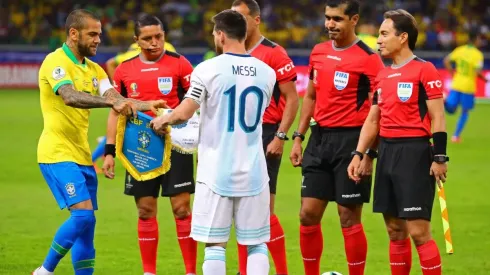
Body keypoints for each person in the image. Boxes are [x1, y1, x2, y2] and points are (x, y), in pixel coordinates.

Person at [33, 9, 164, 275]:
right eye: (92, 34)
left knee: (87, 228)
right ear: (73, 34)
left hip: (81, 156)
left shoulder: (94, 69)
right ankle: (44, 271)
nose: (98, 40)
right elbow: (70, 96)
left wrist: (148, 105)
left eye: (99, 35)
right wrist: (111, 102)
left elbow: (116, 96)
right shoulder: (55, 62)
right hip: (56, 153)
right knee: (82, 215)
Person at [151, 9, 276, 275]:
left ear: (220, 35)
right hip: (254, 170)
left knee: (215, 244)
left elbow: (185, 112)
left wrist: (163, 120)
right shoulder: (267, 73)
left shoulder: (207, 69)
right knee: (256, 245)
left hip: (216, 170)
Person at [348, 9, 447, 275]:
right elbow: (373, 120)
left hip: (414, 152)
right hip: (387, 153)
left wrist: (440, 158)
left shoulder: (425, 70)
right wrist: (362, 154)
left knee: (418, 231)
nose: (378, 40)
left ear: (403, 37)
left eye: (383, 34)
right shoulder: (382, 75)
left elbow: (438, 117)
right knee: (394, 230)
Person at [289, 1, 384, 274]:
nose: (330, 24)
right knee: (307, 214)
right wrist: (298, 137)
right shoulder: (318, 52)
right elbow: (310, 96)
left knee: (348, 217)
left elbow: (378, 110)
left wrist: (368, 154)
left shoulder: (368, 58)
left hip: (352, 142)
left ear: (353, 19)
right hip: (319, 139)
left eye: (337, 19)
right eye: (328, 18)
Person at [101, 14, 197, 275]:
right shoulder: (124, 70)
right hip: (138, 147)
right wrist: (109, 151)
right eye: (147, 38)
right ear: (136, 40)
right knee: (145, 210)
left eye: (159, 37)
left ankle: (190, 271)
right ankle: (149, 272)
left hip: (176, 145)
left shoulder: (181, 64)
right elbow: (114, 112)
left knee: (181, 209)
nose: (155, 43)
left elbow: (195, 104)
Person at [231, 1, 299, 274]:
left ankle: (281, 271)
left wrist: (281, 136)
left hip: (265, 133)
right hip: (235, 136)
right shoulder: (228, 52)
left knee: (263, 211)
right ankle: (244, 271)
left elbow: (293, 99)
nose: (235, 23)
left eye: (241, 18)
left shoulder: (274, 53)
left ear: (256, 19)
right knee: (238, 211)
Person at [443, 30, 487, 143]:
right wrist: (485, 79)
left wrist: (452, 72)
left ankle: (444, 100)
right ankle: (456, 136)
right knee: (465, 112)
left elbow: (446, 60)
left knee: (451, 109)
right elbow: (477, 72)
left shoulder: (460, 50)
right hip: (468, 86)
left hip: (457, 83)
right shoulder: (478, 54)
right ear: (476, 40)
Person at [105, 41, 176, 81]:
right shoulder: (134, 47)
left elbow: (175, 65)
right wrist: (117, 87)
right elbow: (110, 63)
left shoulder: (166, 46)